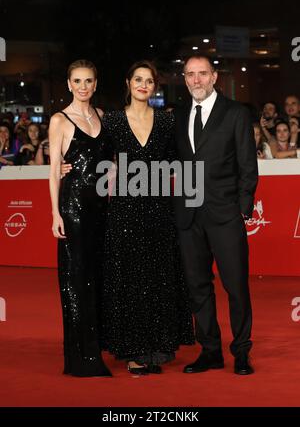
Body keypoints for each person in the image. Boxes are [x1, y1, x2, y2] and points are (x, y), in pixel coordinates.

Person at [100, 60, 194, 375]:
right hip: (124, 210)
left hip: (159, 208)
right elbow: (95, 158)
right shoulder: (111, 122)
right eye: (137, 79)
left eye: (149, 80)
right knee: (130, 277)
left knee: (159, 275)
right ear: (128, 83)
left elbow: (181, 163)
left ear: (155, 86)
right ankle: (133, 349)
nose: (143, 85)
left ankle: (158, 345)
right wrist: (63, 166)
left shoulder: (167, 123)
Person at [174, 55, 258, 375]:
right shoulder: (178, 115)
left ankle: (241, 351)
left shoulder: (235, 113)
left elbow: (248, 166)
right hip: (188, 215)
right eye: (190, 74)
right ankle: (210, 350)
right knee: (198, 286)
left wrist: (242, 209)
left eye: (202, 74)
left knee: (235, 286)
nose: (196, 80)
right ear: (184, 79)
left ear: (214, 77)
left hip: (225, 214)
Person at [49, 59, 113, 377]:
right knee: (76, 281)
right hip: (73, 207)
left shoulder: (102, 117)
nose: (83, 87)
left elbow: (109, 161)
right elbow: (52, 173)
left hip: (102, 208)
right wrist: (54, 214)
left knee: (97, 277)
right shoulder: (60, 120)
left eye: (88, 81)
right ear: (69, 84)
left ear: (95, 84)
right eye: (77, 81)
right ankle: (80, 357)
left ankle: (95, 345)